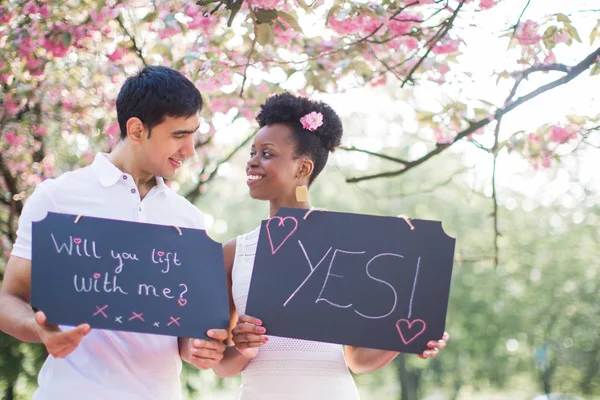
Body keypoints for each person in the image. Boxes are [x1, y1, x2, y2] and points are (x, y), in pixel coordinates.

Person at [0, 66, 228, 400]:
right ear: (137, 129)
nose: (190, 150)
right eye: (179, 135)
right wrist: (39, 329)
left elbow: (181, 331)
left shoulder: (188, 218)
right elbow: (8, 299)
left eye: (193, 135)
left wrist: (196, 346)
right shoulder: (57, 197)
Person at [214, 92, 449, 399]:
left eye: (267, 153)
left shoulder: (344, 243)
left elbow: (356, 359)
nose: (252, 162)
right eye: (252, 152)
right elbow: (221, 366)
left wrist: (406, 339)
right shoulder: (234, 253)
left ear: (303, 169)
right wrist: (244, 349)